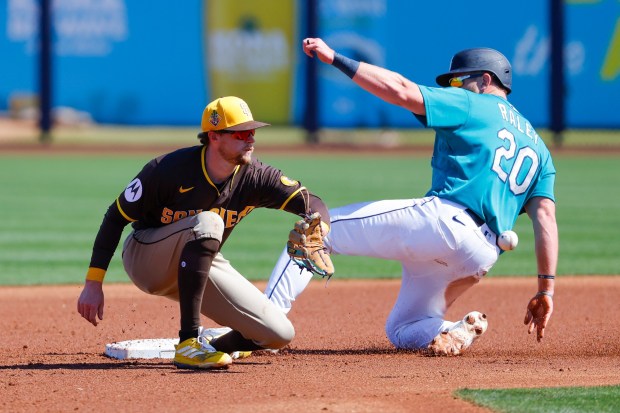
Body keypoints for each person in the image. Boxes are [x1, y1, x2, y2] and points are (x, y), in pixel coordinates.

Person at [263, 38, 558, 356]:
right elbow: (545, 219)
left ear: (486, 80)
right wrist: (546, 289)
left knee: (315, 230)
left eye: (459, 80)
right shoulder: (540, 150)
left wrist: (336, 58)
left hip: (446, 224)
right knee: (404, 329)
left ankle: (262, 326)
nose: (453, 88)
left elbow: (402, 90)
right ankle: (455, 331)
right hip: (481, 255)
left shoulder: (475, 104)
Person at [77, 96, 332, 369]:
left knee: (278, 334)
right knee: (209, 222)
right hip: (146, 257)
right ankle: (188, 343)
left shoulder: (255, 176)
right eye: (240, 133)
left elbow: (311, 202)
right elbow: (115, 217)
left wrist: (321, 228)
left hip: (198, 262)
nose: (250, 140)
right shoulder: (167, 170)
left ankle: (217, 344)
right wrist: (94, 283)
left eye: (253, 133)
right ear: (214, 137)